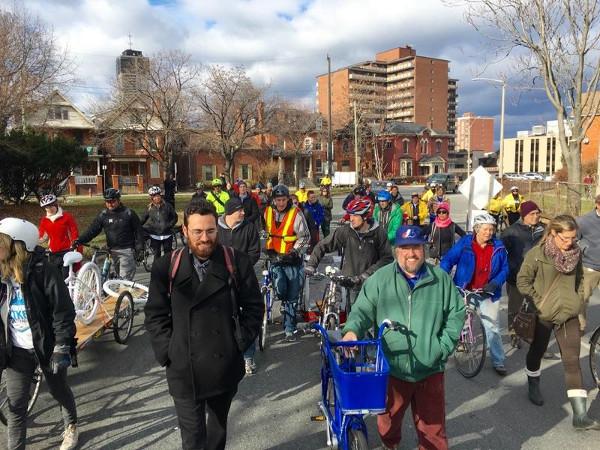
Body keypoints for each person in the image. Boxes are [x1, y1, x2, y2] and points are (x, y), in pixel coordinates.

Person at [145, 200, 263, 449]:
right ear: (185, 231)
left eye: (210, 231)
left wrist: (237, 343)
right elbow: (155, 315)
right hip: (183, 367)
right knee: (193, 438)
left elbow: (253, 308)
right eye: (197, 231)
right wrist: (167, 352)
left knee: (217, 433)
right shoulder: (166, 267)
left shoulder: (236, 262)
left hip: (223, 364)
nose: (205, 238)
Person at [342, 225, 465, 450]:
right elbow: (361, 311)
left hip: (430, 369)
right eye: (405, 248)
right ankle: (391, 445)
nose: (411, 253)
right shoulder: (380, 279)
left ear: (424, 249)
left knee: (433, 428)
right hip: (393, 368)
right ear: (396, 250)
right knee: (388, 421)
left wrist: (441, 347)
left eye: (416, 247)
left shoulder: (440, 279)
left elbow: (456, 314)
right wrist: (352, 330)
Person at [0, 218, 79, 450]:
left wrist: (62, 346)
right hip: (17, 351)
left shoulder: (44, 271)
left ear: (18, 245)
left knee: (58, 390)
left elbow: (63, 311)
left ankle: (72, 425)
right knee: (15, 406)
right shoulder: (2, 274)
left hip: (47, 346)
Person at [516, 215, 600, 430]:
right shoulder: (538, 254)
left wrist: (578, 297)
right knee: (537, 351)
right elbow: (522, 281)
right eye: (565, 238)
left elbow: (580, 278)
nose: (570, 242)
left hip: (569, 315)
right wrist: (537, 302)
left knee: (572, 361)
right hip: (544, 315)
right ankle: (533, 384)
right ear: (553, 233)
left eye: (573, 238)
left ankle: (580, 416)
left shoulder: (576, 253)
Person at [440, 213, 509, 375]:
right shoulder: (465, 243)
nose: (489, 233)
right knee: (461, 320)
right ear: (476, 230)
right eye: (485, 229)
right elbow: (448, 260)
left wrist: (495, 283)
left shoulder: (498, 247)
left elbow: (505, 268)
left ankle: (498, 360)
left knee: (492, 326)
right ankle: (461, 342)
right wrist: (445, 278)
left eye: (491, 229)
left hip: (488, 292)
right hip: (465, 289)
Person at [305, 199, 393, 304]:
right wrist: (311, 264)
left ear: (365, 217)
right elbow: (322, 246)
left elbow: (387, 258)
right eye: (350, 215)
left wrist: (367, 274)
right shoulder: (345, 231)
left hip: (372, 284)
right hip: (349, 284)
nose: (351, 219)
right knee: (349, 316)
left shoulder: (378, 232)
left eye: (355, 215)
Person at [217, 198, 261, 374]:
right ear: (229, 212)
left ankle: (248, 357)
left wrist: (240, 268)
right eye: (240, 210)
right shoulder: (217, 228)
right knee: (223, 317)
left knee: (246, 318)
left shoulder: (249, 228)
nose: (243, 213)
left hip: (244, 279)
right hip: (221, 280)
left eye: (243, 210)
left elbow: (255, 253)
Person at [264, 185, 310, 341]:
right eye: (278, 200)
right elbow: (267, 231)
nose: (281, 203)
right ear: (274, 200)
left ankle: (289, 328)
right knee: (280, 288)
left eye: (284, 200)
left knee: (292, 293)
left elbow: (305, 237)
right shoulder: (268, 212)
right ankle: (283, 304)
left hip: (291, 259)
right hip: (275, 257)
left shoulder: (296, 214)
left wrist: (294, 251)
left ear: (288, 199)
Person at [501, 200, 545, 348]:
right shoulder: (511, 232)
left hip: (539, 278)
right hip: (516, 277)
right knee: (515, 308)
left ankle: (533, 338)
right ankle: (514, 333)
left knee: (537, 309)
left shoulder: (544, 231)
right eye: (532, 213)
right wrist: (511, 269)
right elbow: (502, 254)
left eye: (537, 213)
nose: (536, 216)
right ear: (524, 215)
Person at [74, 188, 144, 280]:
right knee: (112, 281)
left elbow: (139, 230)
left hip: (126, 251)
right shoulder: (103, 215)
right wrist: (80, 240)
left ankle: (124, 293)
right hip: (111, 252)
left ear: (119, 200)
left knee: (124, 281)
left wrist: (139, 247)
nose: (109, 204)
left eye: (112, 201)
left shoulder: (129, 213)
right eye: (107, 201)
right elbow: (92, 230)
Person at [38, 194, 79, 278]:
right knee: (56, 277)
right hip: (53, 253)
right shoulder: (45, 220)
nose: (49, 209)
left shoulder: (67, 217)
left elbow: (74, 232)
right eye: (46, 207)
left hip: (67, 251)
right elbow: (42, 237)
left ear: (56, 204)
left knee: (65, 277)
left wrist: (74, 244)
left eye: (50, 206)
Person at [576, 194, 600, 332]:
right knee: (583, 299)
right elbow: (573, 239)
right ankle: (580, 326)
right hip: (589, 266)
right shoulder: (584, 221)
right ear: (598, 205)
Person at [140, 186, 179, 260]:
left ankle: (167, 270)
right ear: (151, 198)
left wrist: (169, 225)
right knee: (157, 255)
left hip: (167, 234)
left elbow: (175, 218)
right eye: (154, 196)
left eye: (158, 195)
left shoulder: (168, 206)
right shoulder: (149, 208)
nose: (157, 198)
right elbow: (142, 220)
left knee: (168, 256)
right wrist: (136, 227)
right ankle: (157, 271)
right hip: (155, 235)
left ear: (160, 195)